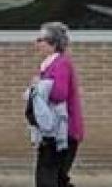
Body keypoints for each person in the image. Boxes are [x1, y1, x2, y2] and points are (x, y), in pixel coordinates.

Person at [24, 21, 84, 187]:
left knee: (47, 177)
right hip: (57, 131)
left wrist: (38, 85)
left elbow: (59, 94)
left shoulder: (61, 64)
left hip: (63, 133)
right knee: (57, 178)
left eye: (40, 39)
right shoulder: (52, 64)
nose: (37, 43)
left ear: (53, 44)